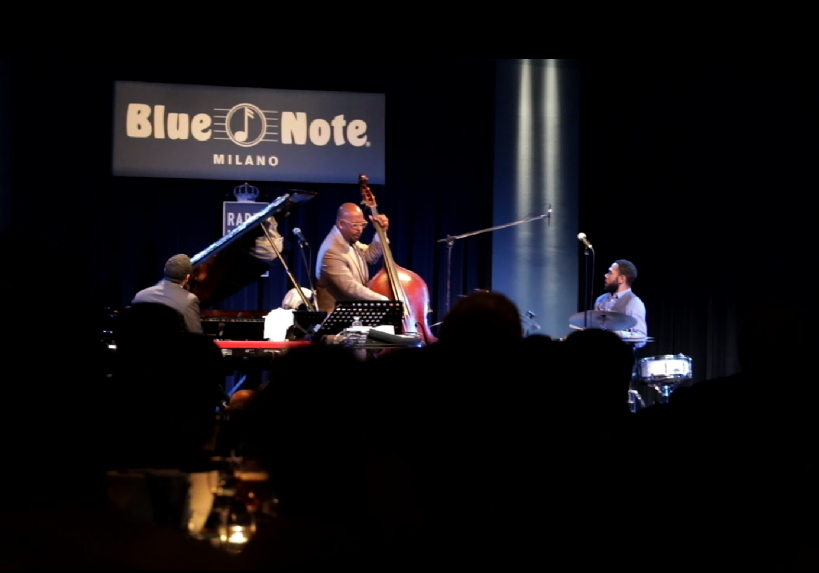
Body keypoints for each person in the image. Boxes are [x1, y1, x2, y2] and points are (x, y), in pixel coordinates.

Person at [313, 203, 390, 313]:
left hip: (352, 314)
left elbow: (370, 256)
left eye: (362, 224)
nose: (360, 229)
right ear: (341, 223)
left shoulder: (349, 240)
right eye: (355, 225)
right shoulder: (331, 250)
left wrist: (381, 232)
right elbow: (350, 288)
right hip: (335, 319)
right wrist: (382, 300)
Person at [132, 253, 203, 334]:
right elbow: (196, 336)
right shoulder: (189, 300)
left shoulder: (140, 295)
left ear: (165, 271)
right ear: (187, 277)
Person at [593, 259, 647, 348]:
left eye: (610, 273)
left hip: (620, 354)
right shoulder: (601, 299)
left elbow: (641, 338)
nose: (606, 275)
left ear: (621, 279)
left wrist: (617, 334)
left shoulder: (634, 303)